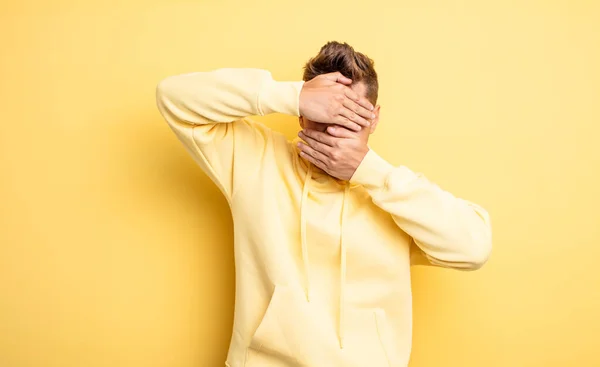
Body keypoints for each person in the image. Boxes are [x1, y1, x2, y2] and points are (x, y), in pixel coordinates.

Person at [155, 41, 492, 367]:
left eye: (350, 118)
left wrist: (369, 171)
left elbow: (473, 248)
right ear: (301, 116)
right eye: (324, 115)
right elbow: (173, 98)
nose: (333, 131)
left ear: (373, 119)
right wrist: (291, 95)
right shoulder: (256, 162)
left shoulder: (394, 197)